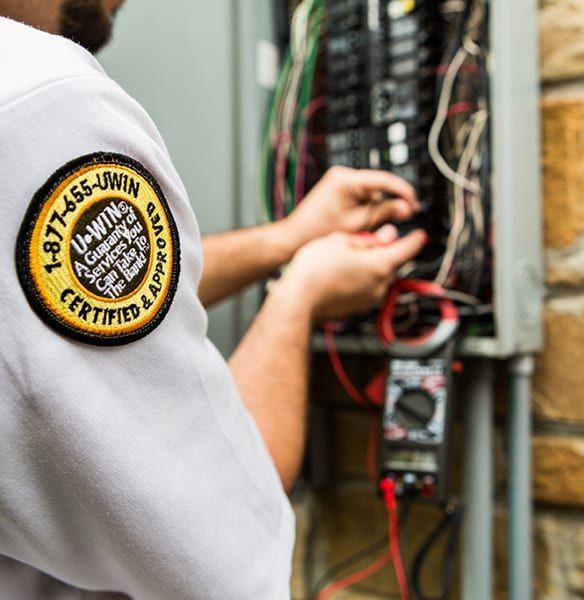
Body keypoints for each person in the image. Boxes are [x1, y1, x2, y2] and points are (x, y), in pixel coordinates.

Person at [0, 1, 426, 598]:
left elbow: (66, 306)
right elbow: (216, 521)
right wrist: (299, 293)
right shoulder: (41, 100)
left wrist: (286, 239)